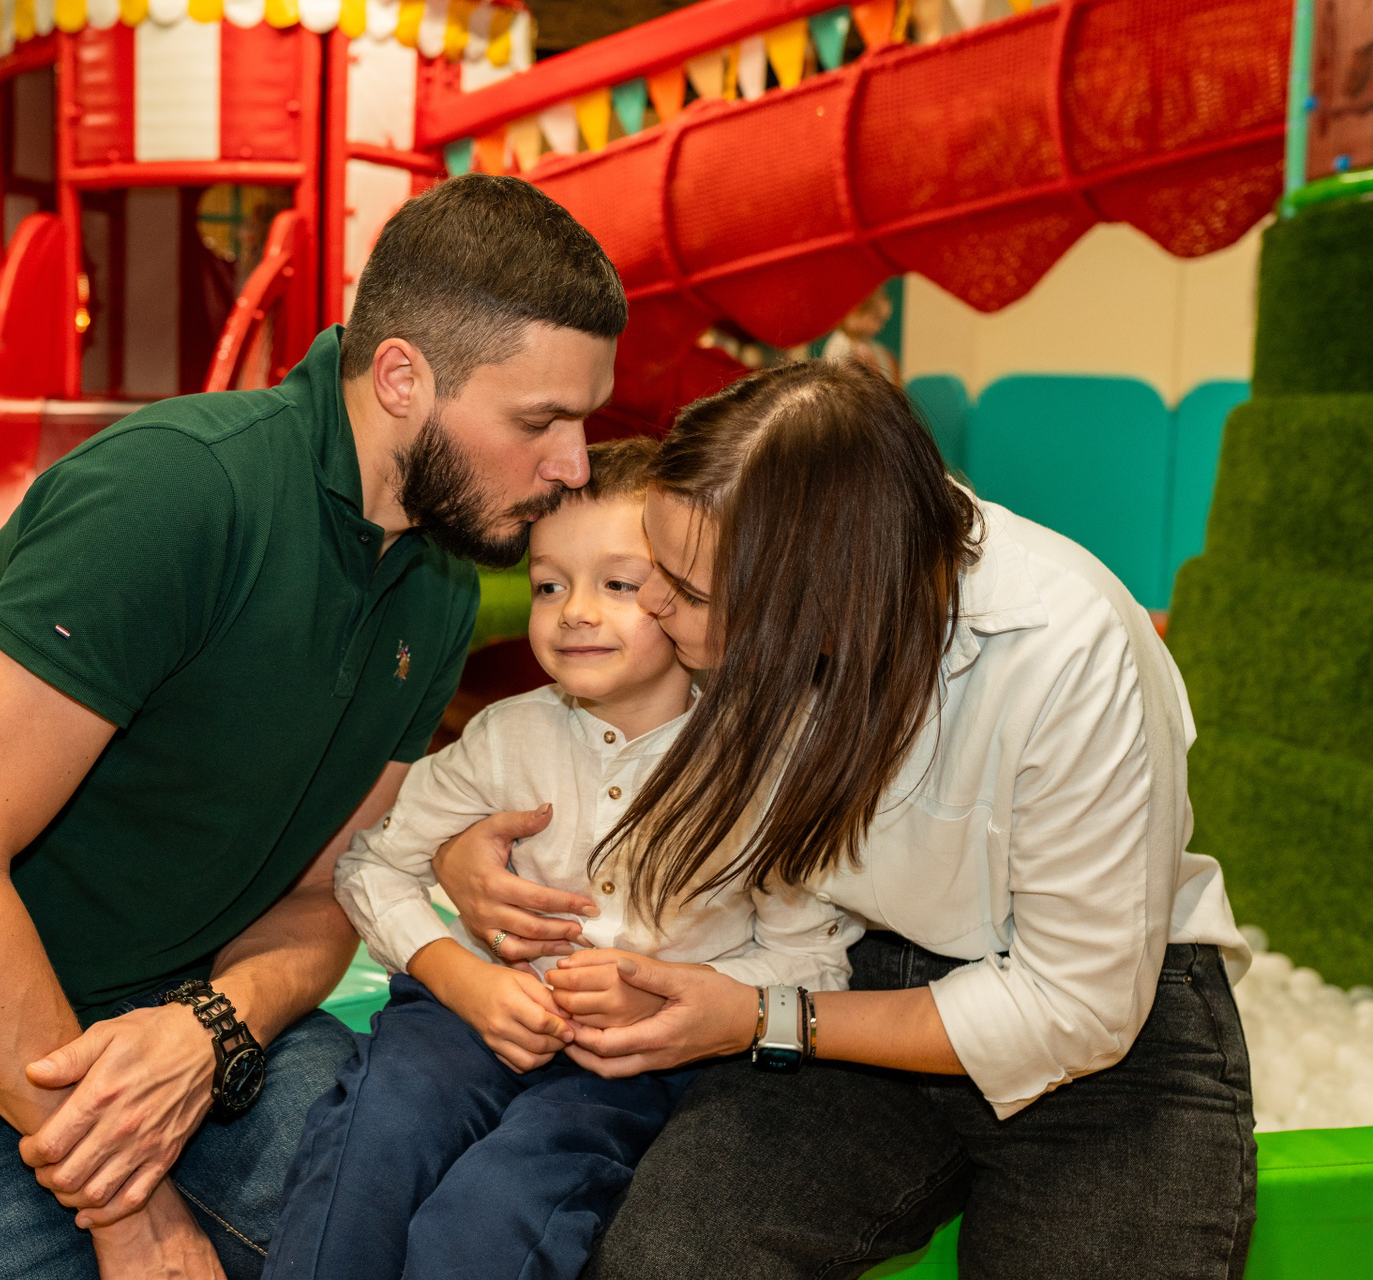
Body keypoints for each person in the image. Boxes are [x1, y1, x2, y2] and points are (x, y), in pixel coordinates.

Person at [0, 174, 626, 1280]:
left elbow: (328, 888)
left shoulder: (440, 582)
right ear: (402, 377)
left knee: (466, 1235)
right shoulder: (176, 492)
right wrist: (130, 1211)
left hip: (184, 1010)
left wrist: (213, 1026)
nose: (574, 466)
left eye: (585, 421)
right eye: (540, 422)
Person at [431, 361, 1256, 1279]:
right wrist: (463, 850)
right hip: (848, 968)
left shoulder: (1066, 651)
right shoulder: (784, 580)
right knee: (665, 1259)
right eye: (655, 569)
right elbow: (596, 764)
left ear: (822, 605)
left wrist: (763, 1017)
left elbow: (1076, 1005)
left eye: (688, 593)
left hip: (1104, 1039)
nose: (654, 608)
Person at [264, 438, 860, 1280]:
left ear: (694, 596)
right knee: (372, 1143)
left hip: (633, 1064)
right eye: (550, 585)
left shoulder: (761, 765)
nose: (575, 611)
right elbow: (372, 864)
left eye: (619, 585)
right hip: (465, 1014)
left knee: (500, 1204)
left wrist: (678, 992)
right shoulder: (507, 736)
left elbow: (813, 962)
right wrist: (458, 976)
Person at [821, 286, 901, 385]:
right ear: (856, 311)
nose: (879, 327)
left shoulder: (864, 344)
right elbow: (834, 381)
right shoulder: (841, 342)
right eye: (876, 319)